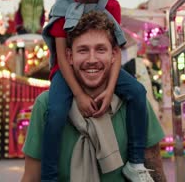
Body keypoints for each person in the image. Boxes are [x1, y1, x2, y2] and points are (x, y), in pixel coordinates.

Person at [40, 0, 150, 181]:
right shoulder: (63, 6)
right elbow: (60, 54)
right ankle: (48, 176)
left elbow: (115, 50)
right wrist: (79, 94)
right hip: (67, 67)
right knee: (55, 111)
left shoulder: (112, 6)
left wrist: (110, 90)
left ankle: (135, 161)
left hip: (103, 65)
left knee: (138, 92)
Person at [22, 11, 166, 181]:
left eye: (100, 49)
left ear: (113, 55)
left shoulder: (134, 103)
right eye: (83, 50)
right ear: (69, 56)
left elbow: (155, 172)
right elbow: (31, 177)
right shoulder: (46, 105)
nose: (92, 59)